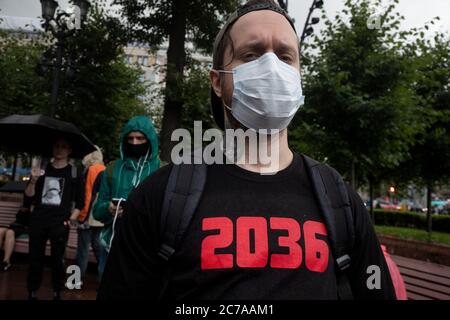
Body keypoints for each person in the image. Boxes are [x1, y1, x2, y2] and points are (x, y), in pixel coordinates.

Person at [97, 0, 396, 300]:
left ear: (299, 76)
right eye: (250, 55)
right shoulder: (161, 197)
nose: (271, 67)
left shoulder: (339, 199)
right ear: (217, 81)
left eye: (285, 56)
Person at [93, 116, 160, 271]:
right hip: (112, 245)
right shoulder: (111, 169)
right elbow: (97, 212)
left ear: (149, 139)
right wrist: (108, 209)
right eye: (130, 139)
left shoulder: (162, 170)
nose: (134, 143)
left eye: (140, 138)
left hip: (146, 249)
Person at [25, 137, 84, 300]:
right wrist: (34, 180)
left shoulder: (74, 173)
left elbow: (81, 202)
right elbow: (28, 197)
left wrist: (69, 220)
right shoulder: (42, 170)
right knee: (35, 257)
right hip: (39, 220)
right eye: (57, 146)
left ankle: (57, 290)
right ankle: (32, 290)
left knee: (58, 259)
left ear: (69, 151)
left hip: (60, 222)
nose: (59, 149)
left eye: (64, 147)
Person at [75, 147, 106, 286]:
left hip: (88, 215)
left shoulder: (90, 169)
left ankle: (77, 279)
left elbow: (87, 194)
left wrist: (82, 215)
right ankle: (104, 278)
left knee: (82, 249)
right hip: (99, 216)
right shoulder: (104, 168)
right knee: (99, 247)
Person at [0, 196, 32, 272]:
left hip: (27, 229)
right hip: (16, 226)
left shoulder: (41, 207)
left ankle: (6, 262)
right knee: (0, 230)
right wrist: (23, 211)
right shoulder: (26, 205)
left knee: (10, 232)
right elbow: (19, 219)